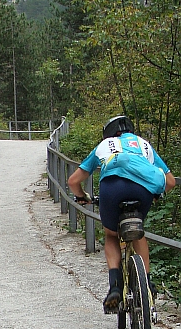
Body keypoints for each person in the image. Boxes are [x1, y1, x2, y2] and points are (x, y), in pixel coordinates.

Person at [67, 115, 176, 313]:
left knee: (111, 234)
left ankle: (115, 286)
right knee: (138, 231)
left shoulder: (105, 145)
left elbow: (73, 181)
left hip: (112, 189)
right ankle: (147, 285)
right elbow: (170, 182)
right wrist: (154, 196)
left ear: (108, 132)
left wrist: (83, 196)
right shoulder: (144, 145)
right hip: (143, 190)